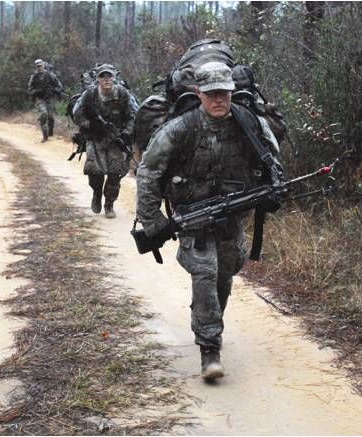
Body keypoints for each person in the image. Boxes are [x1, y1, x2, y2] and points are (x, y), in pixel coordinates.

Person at [136, 62, 279, 381]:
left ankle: (209, 320)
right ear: (198, 93)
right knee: (205, 271)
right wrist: (153, 220)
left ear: (232, 92)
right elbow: (148, 172)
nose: (219, 100)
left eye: (224, 93)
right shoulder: (180, 129)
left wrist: (272, 191)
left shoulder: (248, 123)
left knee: (224, 274)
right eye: (212, 93)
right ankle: (209, 349)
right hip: (192, 218)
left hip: (231, 216)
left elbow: (272, 159)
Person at [73, 64, 136, 219]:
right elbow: (77, 115)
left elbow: (133, 116)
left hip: (115, 139)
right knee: (95, 172)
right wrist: (91, 125)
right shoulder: (90, 95)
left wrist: (127, 133)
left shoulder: (122, 94)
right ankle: (96, 193)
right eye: (102, 76)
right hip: (95, 138)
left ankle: (109, 204)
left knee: (115, 172)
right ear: (98, 79)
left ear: (114, 77)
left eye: (109, 76)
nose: (106, 79)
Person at [28, 58, 63, 142]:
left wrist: (55, 90)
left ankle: (50, 133)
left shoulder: (50, 75)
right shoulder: (34, 77)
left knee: (51, 117)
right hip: (40, 99)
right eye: (38, 66)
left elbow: (59, 85)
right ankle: (45, 136)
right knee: (44, 114)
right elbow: (30, 89)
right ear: (36, 67)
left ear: (43, 65)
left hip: (49, 98)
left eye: (40, 66)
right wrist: (36, 91)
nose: (39, 67)